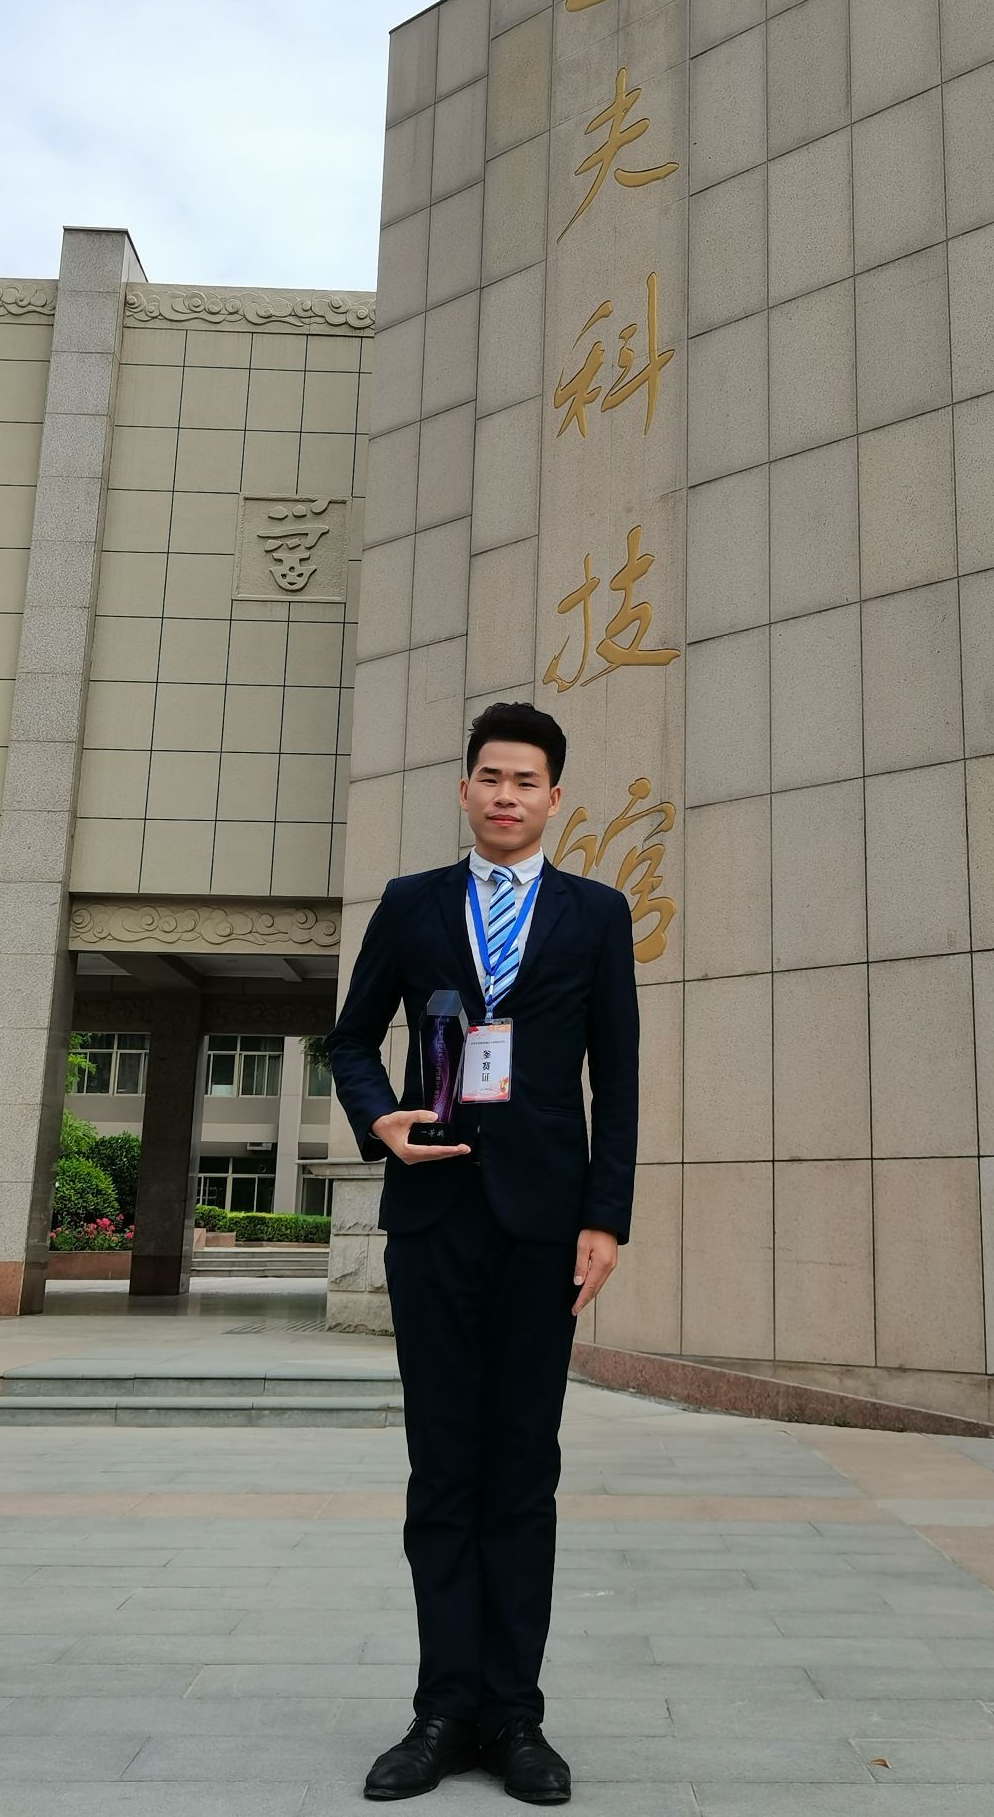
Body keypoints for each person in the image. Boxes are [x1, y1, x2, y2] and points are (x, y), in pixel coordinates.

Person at [326, 700, 639, 1806]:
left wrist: (607, 1216)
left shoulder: (595, 915)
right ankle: (441, 1709)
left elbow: (617, 1074)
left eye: (527, 781)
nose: (507, 796)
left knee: (523, 1468)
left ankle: (514, 1715)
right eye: (491, 777)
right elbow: (350, 1038)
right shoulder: (411, 904)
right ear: (465, 789)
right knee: (444, 1468)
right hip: (435, 1218)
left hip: (543, 1227)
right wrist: (380, 1117)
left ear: (556, 799)